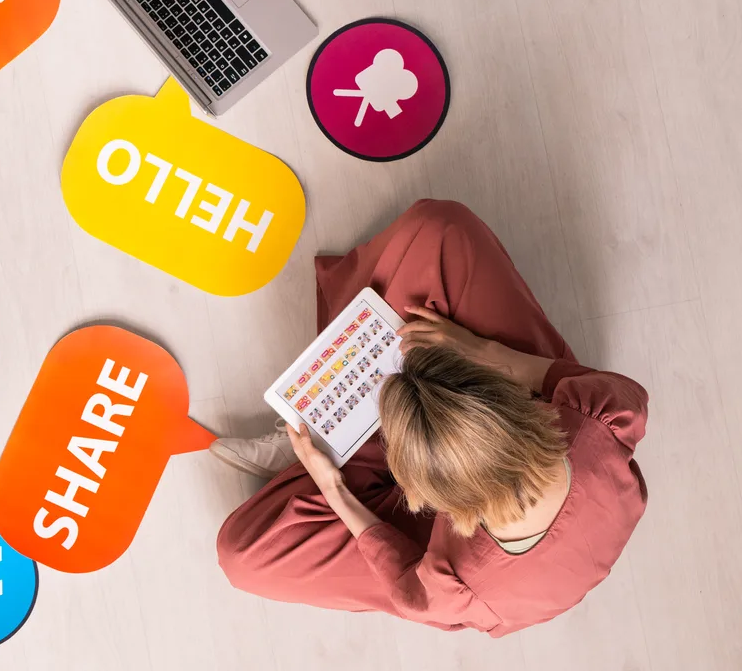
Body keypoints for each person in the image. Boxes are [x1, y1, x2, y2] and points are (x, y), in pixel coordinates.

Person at [210, 200, 650, 635]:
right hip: (506, 430)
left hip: (450, 550)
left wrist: (334, 488)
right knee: (440, 231)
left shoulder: (459, 584)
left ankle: (334, 441)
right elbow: (572, 381)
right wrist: (484, 352)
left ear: (429, 500)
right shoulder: (597, 416)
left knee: (243, 556)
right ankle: (348, 435)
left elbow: (404, 581)